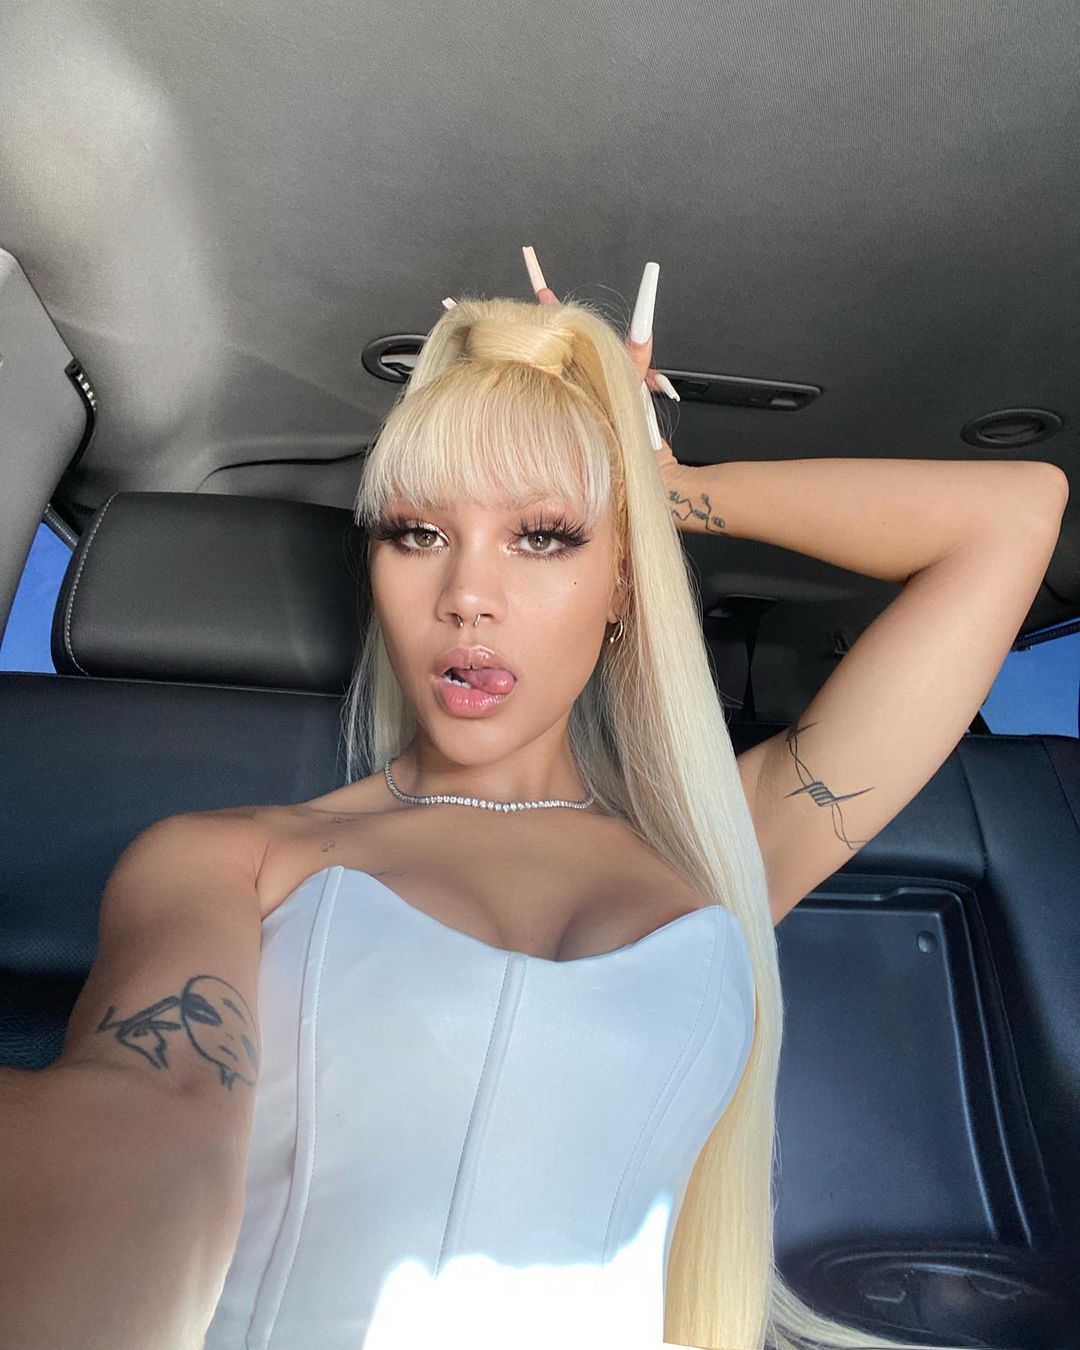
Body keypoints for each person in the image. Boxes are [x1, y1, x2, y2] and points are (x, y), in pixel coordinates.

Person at [200, 253, 973, 1349]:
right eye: (419, 533)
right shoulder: (235, 863)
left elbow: (1012, 519)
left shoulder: (721, 846)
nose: (468, 595)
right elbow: (131, 1114)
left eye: (543, 534)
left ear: (622, 578)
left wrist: (654, 485)